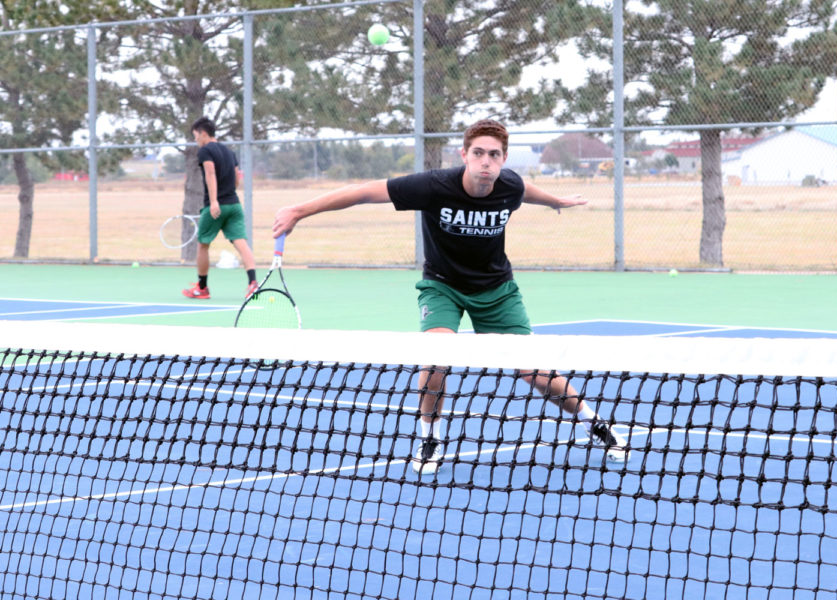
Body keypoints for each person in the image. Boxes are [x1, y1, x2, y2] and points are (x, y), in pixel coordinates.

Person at [272, 119, 627, 474]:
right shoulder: (433, 186)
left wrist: (554, 201)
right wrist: (299, 211)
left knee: (534, 372)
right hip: (442, 286)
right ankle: (430, 438)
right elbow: (365, 191)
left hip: (497, 290)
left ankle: (593, 421)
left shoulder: (510, 186)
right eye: (478, 153)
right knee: (436, 358)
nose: (485, 161)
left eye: (494, 155)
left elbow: (526, 190)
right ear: (464, 155)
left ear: (503, 160)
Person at [182, 116, 258, 300]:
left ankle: (202, 288)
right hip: (234, 205)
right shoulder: (229, 152)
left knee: (203, 245)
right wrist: (228, 193)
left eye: (196, 136)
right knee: (241, 243)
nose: (196, 140)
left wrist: (215, 201)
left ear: (204, 134)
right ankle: (253, 283)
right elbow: (236, 178)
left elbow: (210, 172)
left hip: (215, 207)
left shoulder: (205, 151)